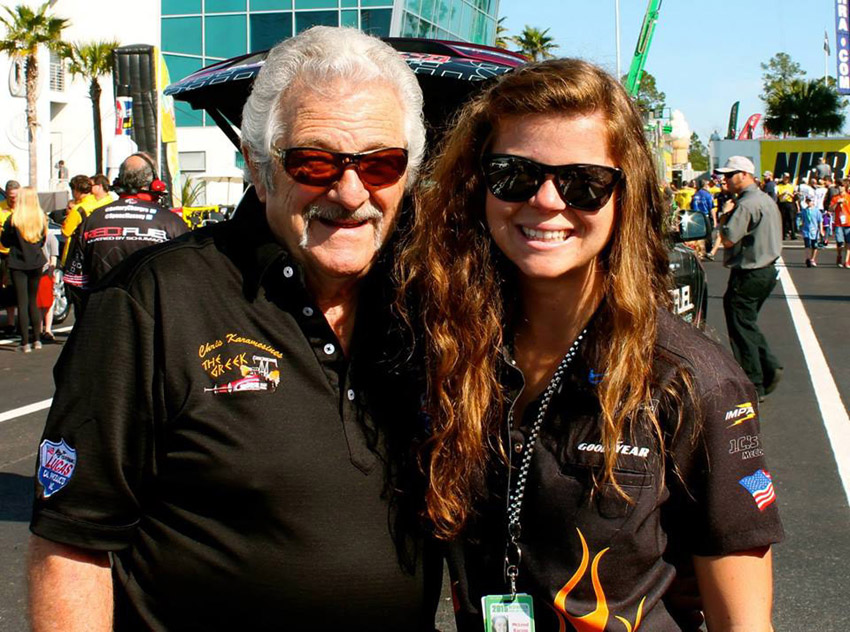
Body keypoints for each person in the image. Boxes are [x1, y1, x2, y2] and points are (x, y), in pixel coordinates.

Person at [28, 27, 440, 631]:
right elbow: (73, 543)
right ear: (258, 166)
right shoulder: (153, 301)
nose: (352, 192)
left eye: (381, 164)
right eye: (315, 161)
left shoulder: (431, 303)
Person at [399, 59, 783, 632]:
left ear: (625, 196)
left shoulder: (691, 379)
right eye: (514, 174)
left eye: (583, 182)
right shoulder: (444, 347)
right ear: (478, 185)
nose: (547, 201)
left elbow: (744, 623)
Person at [65, 153, 188, 300]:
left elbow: (75, 282)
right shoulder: (172, 222)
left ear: (119, 181)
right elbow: (186, 279)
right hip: (152, 312)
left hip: (103, 311)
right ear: (155, 183)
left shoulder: (91, 221)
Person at [716, 155, 783, 401]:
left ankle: (754, 383)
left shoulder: (745, 205)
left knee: (740, 326)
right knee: (747, 323)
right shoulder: (765, 200)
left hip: (749, 272)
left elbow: (728, 239)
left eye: (729, 175)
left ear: (744, 175)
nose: (725, 180)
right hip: (767, 270)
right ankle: (768, 367)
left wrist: (724, 216)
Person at [0, 187, 47, 352]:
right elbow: (42, 240)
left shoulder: (14, 218)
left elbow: (5, 241)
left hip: (18, 262)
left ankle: (25, 342)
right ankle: (37, 339)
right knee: (33, 301)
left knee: (22, 301)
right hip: (36, 261)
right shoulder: (41, 217)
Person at [0, 180, 20, 332]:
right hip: (3, 253)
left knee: (19, 288)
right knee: (6, 288)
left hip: (19, 253)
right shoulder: (1, 208)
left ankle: (23, 321)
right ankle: (10, 322)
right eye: (10, 196)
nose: (13, 199)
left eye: (15, 196)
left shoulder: (25, 208)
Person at [37, 225, 59, 341]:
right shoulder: (34, 236)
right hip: (35, 272)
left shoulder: (51, 238)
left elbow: (53, 258)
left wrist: (51, 273)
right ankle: (39, 329)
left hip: (46, 273)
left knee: (48, 303)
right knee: (38, 303)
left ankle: (48, 330)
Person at [830, 178, 850, 268]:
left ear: (845, 187)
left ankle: (847, 261)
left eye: (842, 186)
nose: (840, 188)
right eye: (839, 186)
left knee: (848, 243)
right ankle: (839, 255)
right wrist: (837, 203)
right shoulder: (835, 198)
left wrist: (845, 203)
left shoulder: (848, 197)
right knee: (840, 242)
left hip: (848, 222)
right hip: (839, 223)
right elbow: (831, 209)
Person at [800, 194, 824, 267]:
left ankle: (812, 259)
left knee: (814, 246)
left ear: (813, 201)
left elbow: (820, 221)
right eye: (807, 201)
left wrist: (821, 230)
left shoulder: (817, 211)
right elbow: (803, 220)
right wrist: (801, 229)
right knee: (807, 245)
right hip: (806, 230)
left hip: (814, 231)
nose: (809, 202)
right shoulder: (804, 211)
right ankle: (807, 258)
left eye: (810, 201)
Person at [775, 172, 797, 240]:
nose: (786, 179)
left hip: (789, 203)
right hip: (782, 203)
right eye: (785, 178)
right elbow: (777, 195)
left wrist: (790, 194)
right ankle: (783, 234)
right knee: (783, 219)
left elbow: (794, 196)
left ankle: (793, 234)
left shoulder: (791, 186)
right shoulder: (779, 186)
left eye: (787, 178)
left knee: (791, 219)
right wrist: (782, 193)